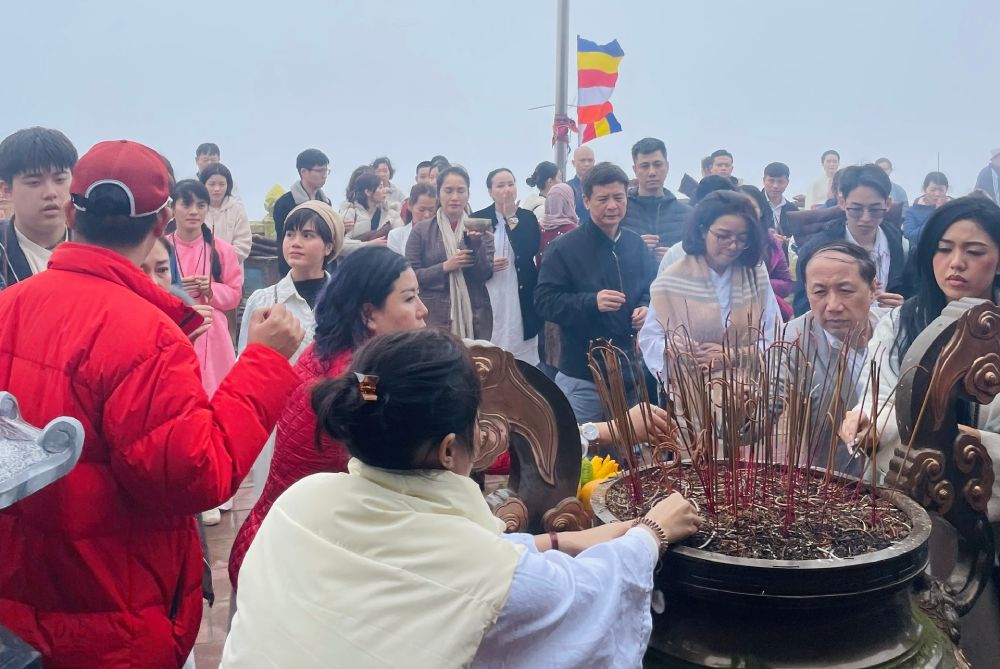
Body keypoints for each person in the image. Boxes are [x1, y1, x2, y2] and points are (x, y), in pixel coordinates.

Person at [222, 327, 702, 669]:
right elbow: (586, 594)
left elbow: (423, 560)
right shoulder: (487, 574)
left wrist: (556, 543)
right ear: (451, 450)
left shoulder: (303, 500)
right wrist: (650, 534)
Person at [0, 139, 305, 668]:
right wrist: (263, 363)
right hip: (115, 607)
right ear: (163, 221)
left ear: (73, 212)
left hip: (23, 601)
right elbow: (194, 475)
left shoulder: (9, 305)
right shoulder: (148, 333)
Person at [839, 197, 1000, 667]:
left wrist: (964, 445)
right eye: (944, 248)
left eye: (974, 251)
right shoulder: (902, 321)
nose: (956, 263)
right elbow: (881, 397)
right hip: (912, 505)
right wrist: (865, 420)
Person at [228, 246, 429, 589]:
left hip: (272, 539)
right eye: (409, 299)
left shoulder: (326, 350)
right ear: (369, 314)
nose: (423, 311)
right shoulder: (364, 381)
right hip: (296, 564)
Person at [535, 162, 658, 422]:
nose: (612, 206)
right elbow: (544, 302)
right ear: (587, 201)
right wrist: (592, 302)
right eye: (603, 199)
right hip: (583, 374)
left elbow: (652, 286)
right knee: (582, 454)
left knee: (632, 457)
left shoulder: (635, 244)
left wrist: (646, 306)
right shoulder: (564, 248)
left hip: (631, 373)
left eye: (618, 197)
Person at [639, 190, 781, 380]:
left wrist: (733, 356)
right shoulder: (672, 280)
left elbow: (777, 336)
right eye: (723, 236)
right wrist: (670, 346)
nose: (733, 246)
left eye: (741, 238)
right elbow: (649, 338)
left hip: (749, 393)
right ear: (703, 230)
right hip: (692, 393)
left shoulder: (756, 275)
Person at [781, 241, 880, 475]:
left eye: (845, 290)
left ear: (873, 288)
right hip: (838, 484)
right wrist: (742, 409)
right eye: (820, 292)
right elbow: (761, 415)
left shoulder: (896, 330)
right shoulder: (791, 340)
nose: (833, 306)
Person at [793, 164, 908, 315]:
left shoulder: (902, 247)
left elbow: (917, 294)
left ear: (887, 204)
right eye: (856, 209)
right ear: (842, 202)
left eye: (875, 210)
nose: (865, 218)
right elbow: (802, 306)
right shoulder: (816, 250)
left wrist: (905, 307)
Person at [167, 179, 244, 397]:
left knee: (217, 393)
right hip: (174, 328)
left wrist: (211, 290)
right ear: (173, 208)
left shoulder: (222, 250)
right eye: (186, 204)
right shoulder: (161, 247)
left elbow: (235, 295)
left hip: (214, 333)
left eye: (201, 205)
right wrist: (175, 291)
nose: (194, 212)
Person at [407, 165, 495, 339]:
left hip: (474, 315)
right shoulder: (421, 231)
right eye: (448, 190)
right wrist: (446, 266)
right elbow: (410, 275)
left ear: (468, 194)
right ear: (439, 193)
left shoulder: (480, 228)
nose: (455, 197)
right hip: (434, 317)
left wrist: (476, 244)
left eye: (460, 190)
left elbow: (484, 274)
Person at [472, 168, 541, 364]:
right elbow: (470, 259)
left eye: (511, 184)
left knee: (522, 354)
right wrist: (487, 264)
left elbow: (529, 250)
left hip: (520, 292)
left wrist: (511, 217)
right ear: (490, 191)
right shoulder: (479, 218)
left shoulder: (527, 217)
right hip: (490, 291)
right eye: (500, 185)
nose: (507, 190)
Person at [0, 127, 78, 290]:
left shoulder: (97, 243)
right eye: (34, 182)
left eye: (60, 179)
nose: (51, 193)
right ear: (6, 190)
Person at [620, 137, 693, 261]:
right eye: (644, 166)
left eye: (657, 164)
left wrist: (676, 258)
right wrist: (632, 248)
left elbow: (699, 259)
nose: (652, 172)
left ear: (667, 166)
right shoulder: (620, 211)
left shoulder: (688, 215)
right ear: (635, 170)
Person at [537, 183, 580, 372]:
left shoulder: (539, 228)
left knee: (548, 352)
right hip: (569, 299)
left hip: (544, 298)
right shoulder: (574, 231)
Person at [272, 149, 334, 274]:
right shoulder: (285, 204)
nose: (324, 175)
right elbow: (284, 241)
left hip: (321, 270)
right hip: (293, 271)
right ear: (304, 172)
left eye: (326, 171)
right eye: (319, 171)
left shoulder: (326, 203)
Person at [738, 184, 794, 321]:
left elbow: (786, 283)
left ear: (761, 210)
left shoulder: (771, 242)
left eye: (752, 208)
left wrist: (759, 283)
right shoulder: (725, 243)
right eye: (739, 209)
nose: (746, 214)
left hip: (766, 312)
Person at [200, 162, 252, 262]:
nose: (217, 189)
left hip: (231, 270)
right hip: (200, 269)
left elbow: (243, 245)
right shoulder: (197, 209)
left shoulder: (237, 210)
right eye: (211, 184)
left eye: (222, 184)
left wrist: (220, 260)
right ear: (203, 184)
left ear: (228, 185)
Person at [340, 168, 403, 241]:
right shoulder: (351, 212)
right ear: (368, 191)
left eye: (383, 187)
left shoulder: (391, 214)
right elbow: (341, 244)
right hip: (358, 251)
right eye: (380, 187)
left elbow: (400, 239)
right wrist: (367, 244)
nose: (384, 190)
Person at [388, 183, 436, 256]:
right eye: (421, 210)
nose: (427, 215)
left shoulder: (443, 234)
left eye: (431, 210)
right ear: (410, 205)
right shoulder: (396, 236)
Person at [902, 171, 950, 243]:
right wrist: (936, 215)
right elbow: (910, 235)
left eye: (941, 190)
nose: (937, 194)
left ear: (946, 190)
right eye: (933, 190)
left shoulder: (955, 209)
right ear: (924, 189)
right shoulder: (912, 211)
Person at [761, 161, 799, 234]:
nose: (775, 186)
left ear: (787, 183)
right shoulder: (754, 204)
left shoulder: (793, 211)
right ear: (764, 181)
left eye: (780, 181)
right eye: (771, 181)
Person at [566, 145, 595, 225]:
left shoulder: (603, 186)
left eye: (590, 160)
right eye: (582, 160)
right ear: (573, 163)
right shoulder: (567, 188)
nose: (587, 164)